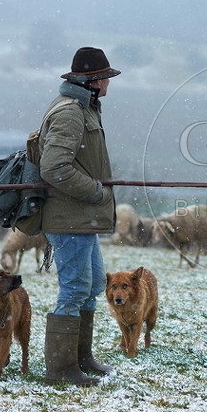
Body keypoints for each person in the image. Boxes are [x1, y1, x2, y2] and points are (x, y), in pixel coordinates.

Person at [38, 46, 120, 386]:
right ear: (94, 81)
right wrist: (96, 192)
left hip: (82, 217)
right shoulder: (71, 113)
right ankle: (61, 369)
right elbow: (54, 167)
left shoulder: (84, 108)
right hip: (68, 217)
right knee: (74, 289)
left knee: (93, 284)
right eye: (106, 77)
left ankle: (80, 358)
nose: (109, 83)